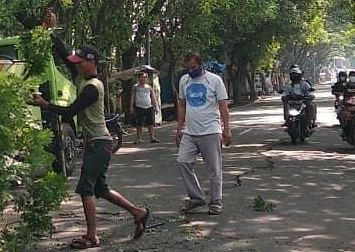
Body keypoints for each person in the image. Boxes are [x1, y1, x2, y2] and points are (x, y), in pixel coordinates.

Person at [33, 40, 149, 249]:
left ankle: (92, 236)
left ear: (91, 62)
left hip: (99, 143)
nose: (75, 66)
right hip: (95, 143)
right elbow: (64, 55)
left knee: (86, 188)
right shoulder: (80, 76)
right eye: (75, 63)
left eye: (79, 63)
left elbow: (69, 112)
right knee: (101, 189)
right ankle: (137, 212)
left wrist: (45, 105)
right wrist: (48, 32)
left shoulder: (93, 87)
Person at [176, 52, 231, 216]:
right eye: (187, 68)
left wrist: (226, 129)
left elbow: (223, 106)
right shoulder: (184, 80)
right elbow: (181, 106)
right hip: (190, 132)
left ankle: (216, 202)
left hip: (210, 131)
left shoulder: (214, 80)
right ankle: (196, 197)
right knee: (182, 161)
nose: (190, 71)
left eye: (193, 67)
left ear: (201, 65)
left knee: (214, 168)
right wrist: (179, 128)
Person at [130, 72, 159, 144]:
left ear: (147, 79)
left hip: (149, 107)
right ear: (139, 78)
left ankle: (152, 138)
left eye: (144, 77)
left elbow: (153, 98)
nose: (143, 79)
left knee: (151, 123)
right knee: (139, 124)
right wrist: (131, 107)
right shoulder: (135, 87)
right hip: (139, 107)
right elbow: (132, 97)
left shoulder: (149, 87)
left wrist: (156, 107)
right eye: (141, 77)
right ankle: (138, 139)